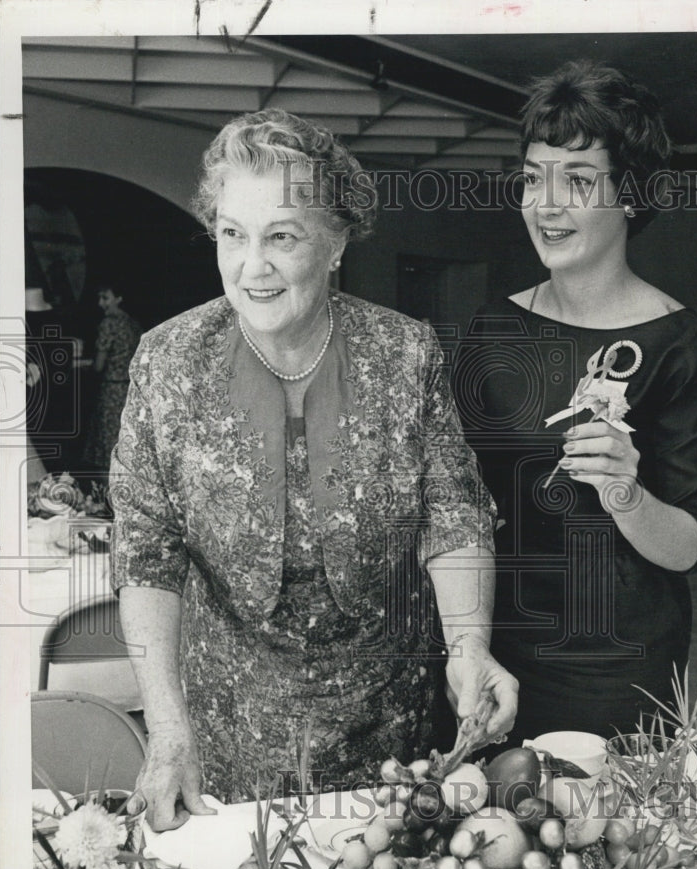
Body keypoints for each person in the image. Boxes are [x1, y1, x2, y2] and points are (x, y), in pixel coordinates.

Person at [111, 109, 519, 830]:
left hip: (390, 736)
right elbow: (147, 552)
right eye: (232, 234)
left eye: (282, 237)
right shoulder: (169, 361)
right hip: (225, 742)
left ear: (334, 244)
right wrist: (169, 728)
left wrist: (470, 647)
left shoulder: (404, 354)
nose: (251, 266)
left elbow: (451, 513)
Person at [455, 61, 697, 746]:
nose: (546, 206)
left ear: (630, 196)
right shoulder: (492, 330)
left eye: (576, 181)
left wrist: (622, 491)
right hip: (493, 653)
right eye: (532, 178)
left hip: (617, 670)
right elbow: (453, 508)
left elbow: (694, 546)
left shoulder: (682, 345)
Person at [82, 281, 142, 473]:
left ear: (119, 299)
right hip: (131, 391)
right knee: (126, 441)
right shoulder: (134, 325)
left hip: (111, 390)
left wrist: (85, 366)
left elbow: (99, 365)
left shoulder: (108, 324)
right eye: (99, 298)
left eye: (105, 298)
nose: (101, 303)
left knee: (107, 446)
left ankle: (106, 495)